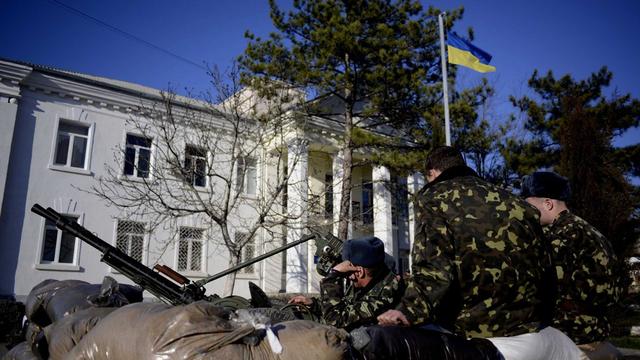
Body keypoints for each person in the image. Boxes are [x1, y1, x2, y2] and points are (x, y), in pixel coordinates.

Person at [377, 146, 553, 338]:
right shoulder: (515, 202)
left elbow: (435, 269)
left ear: (432, 172)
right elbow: (545, 264)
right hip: (529, 324)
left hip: (473, 329)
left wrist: (408, 310)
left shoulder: (433, 199)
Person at [521, 171, 623, 357]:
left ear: (548, 204)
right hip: (599, 339)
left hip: (572, 343)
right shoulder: (591, 231)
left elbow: (542, 289)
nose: (527, 213)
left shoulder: (559, 236)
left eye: (529, 206)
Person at [289, 236, 403, 331]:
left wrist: (333, 277)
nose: (347, 276)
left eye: (347, 272)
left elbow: (335, 321)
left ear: (359, 272)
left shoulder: (385, 294)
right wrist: (313, 304)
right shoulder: (368, 282)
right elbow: (345, 306)